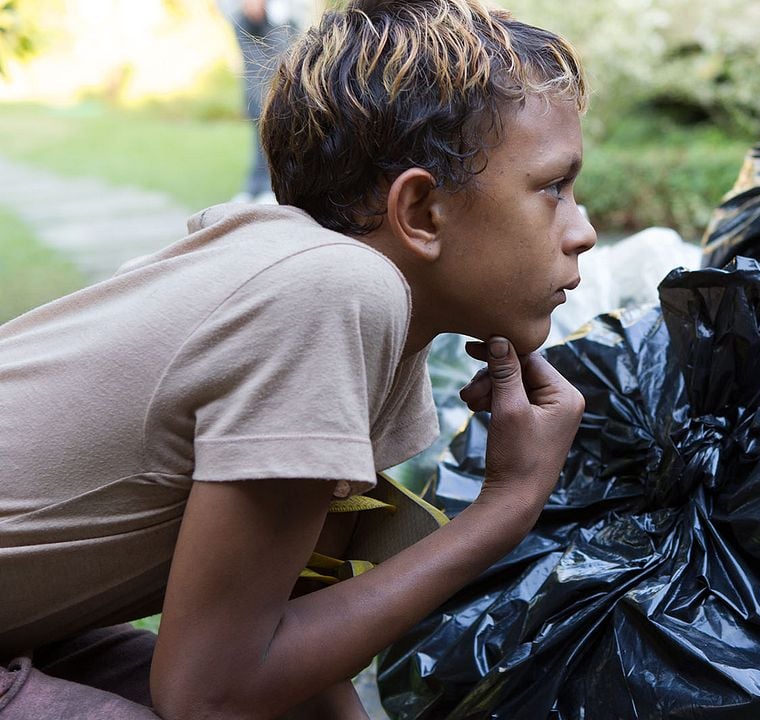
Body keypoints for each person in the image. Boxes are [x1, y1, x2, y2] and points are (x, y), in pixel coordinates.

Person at [0, 1, 597, 717]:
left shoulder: (355, 301)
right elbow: (212, 694)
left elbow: (284, 645)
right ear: (421, 213)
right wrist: (506, 508)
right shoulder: (335, 292)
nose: (584, 231)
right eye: (552, 188)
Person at [217, 0, 313, 204]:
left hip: (280, 15)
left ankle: (272, 184)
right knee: (256, 102)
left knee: (276, 99)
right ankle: (259, 183)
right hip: (246, 12)